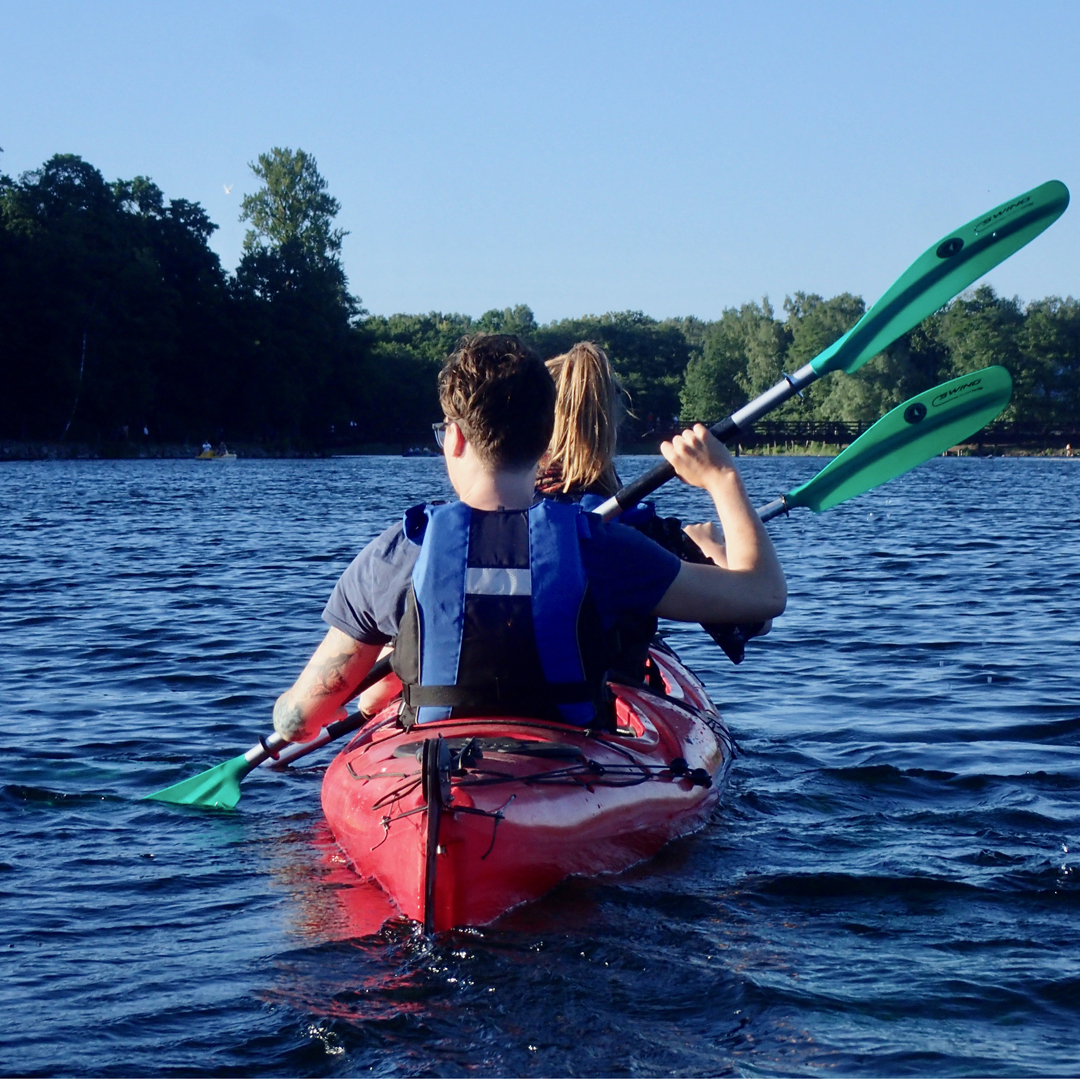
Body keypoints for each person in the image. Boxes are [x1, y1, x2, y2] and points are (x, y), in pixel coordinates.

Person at [272, 333, 785, 743]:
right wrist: (722, 478)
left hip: (437, 773)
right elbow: (761, 598)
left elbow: (299, 722)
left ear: (454, 436)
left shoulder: (399, 550)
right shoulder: (601, 546)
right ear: (544, 440)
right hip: (568, 763)